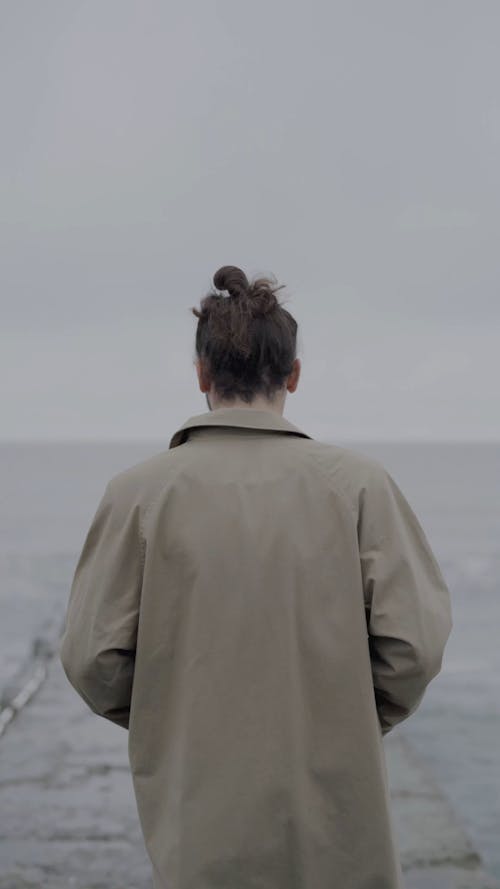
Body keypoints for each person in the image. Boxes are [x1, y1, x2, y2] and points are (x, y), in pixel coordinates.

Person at [59, 265, 453, 889]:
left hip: (199, 818)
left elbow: (91, 659)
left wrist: (176, 714)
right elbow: (415, 647)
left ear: (202, 376)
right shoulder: (358, 485)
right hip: (336, 816)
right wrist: (346, 714)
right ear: (293, 375)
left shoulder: (137, 493)